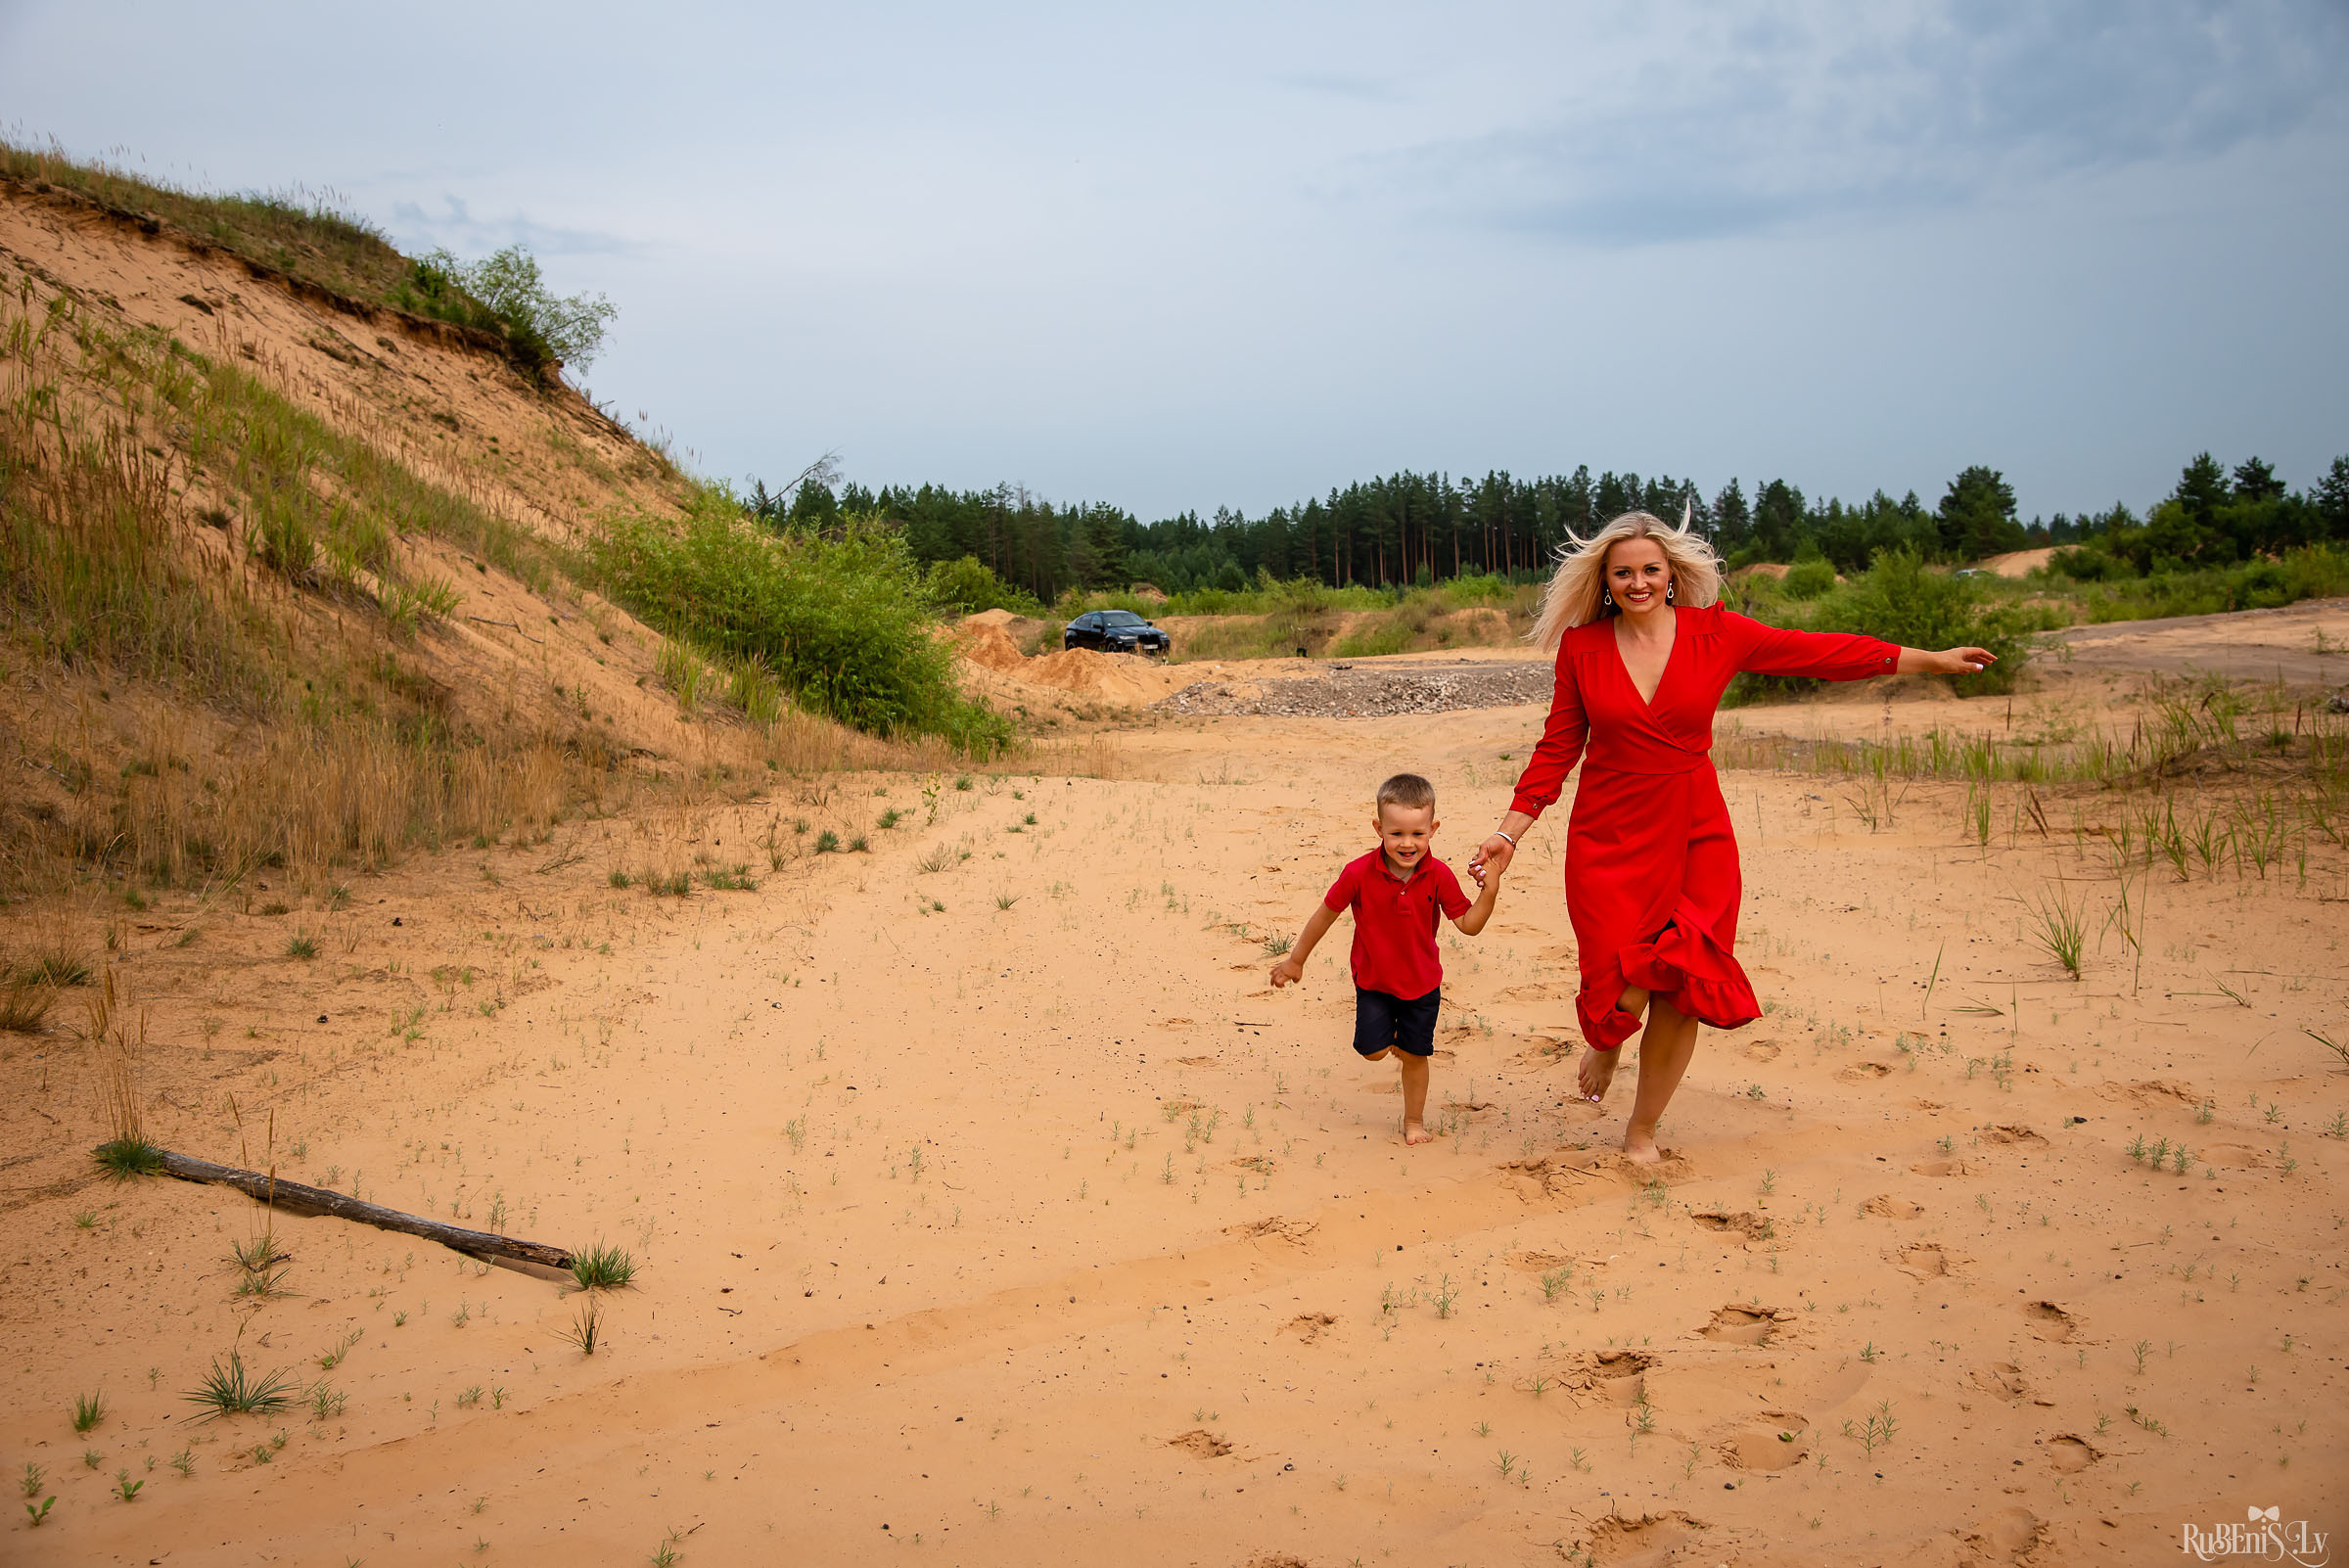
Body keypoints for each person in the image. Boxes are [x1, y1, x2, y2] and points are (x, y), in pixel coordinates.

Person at [1468, 512, 1996, 1164]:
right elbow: (1558, 747)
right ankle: (1607, 1039)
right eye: (1623, 572)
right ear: (1604, 580)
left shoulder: (1717, 633)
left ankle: (1642, 1132)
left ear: (1672, 574)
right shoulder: (1584, 648)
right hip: (1610, 831)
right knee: (1618, 974)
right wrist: (1509, 832)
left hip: (1696, 828)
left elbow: (1820, 653)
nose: (1638, 582)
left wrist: (1929, 661)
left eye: (1650, 569)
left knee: (1683, 978)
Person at [1270, 772, 1502, 1144]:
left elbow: (1469, 924)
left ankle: (1414, 1122)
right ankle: (1396, 1045)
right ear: (1379, 829)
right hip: (1374, 983)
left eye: (1417, 834)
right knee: (1372, 1050)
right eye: (1396, 834)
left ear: (1433, 830)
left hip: (1422, 985)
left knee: (1416, 1056)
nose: (1407, 844)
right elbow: (1324, 915)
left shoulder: (1439, 874)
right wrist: (1296, 960)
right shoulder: (1358, 873)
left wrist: (1489, 892)